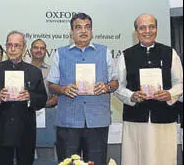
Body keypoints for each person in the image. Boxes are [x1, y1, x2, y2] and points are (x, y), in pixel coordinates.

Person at [47, 12, 118, 165]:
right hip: (68, 122)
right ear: (71, 32)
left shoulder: (104, 52)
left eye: (87, 27)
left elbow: (115, 82)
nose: (83, 31)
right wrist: (63, 89)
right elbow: (51, 85)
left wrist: (106, 87)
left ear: (92, 31)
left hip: (97, 121)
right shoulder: (60, 53)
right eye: (78, 27)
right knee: (68, 162)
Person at [115, 13, 183, 165]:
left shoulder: (170, 53)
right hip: (135, 120)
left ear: (156, 29)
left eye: (151, 27)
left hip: (164, 120)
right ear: (136, 31)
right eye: (142, 27)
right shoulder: (126, 55)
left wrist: (169, 94)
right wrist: (131, 96)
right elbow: (117, 86)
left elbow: (180, 83)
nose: (147, 31)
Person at [0, 31, 47, 165]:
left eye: (17, 45)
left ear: (24, 48)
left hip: (26, 130)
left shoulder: (34, 71)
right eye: (9, 45)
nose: (13, 48)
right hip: (2, 129)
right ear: (6, 47)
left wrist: (30, 97)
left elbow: (42, 98)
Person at [30, 38, 58, 108]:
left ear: (45, 51)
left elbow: (57, 95)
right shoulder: (24, 70)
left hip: (47, 110)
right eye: (36, 48)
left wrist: (45, 105)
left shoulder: (52, 70)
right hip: (26, 111)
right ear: (30, 51)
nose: (39, 50)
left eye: (42, 48)